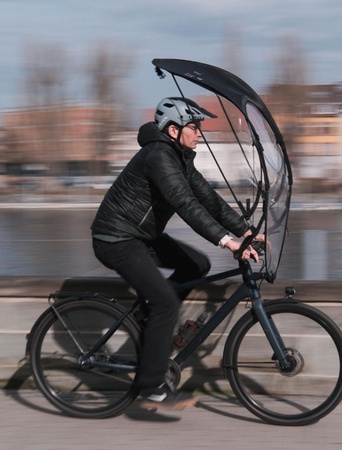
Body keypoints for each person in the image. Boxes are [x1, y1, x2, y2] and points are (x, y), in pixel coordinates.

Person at [91, 97, 260, 410]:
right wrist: (228, 241)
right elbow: (186, 205)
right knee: (166, 302)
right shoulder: (158, 156)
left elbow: (208, 200)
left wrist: (245, 231)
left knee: (197, 264)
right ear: (173, 130)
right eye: (194, 127)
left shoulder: (181, 158)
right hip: (115, 239)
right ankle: (151, 386)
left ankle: (150, 319)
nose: (199, 134)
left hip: (141, 236)